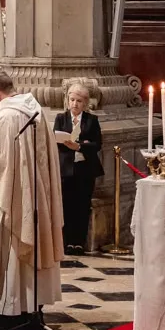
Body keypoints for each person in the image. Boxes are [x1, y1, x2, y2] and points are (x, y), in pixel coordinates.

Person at [0, 68, 64, 316]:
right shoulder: (36, 109)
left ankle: (13, 308)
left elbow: (0, 163)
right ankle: (33, 305)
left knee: (11, 243)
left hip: (17, 195)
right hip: (37, 193)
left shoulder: (6, 117)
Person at [54, 79, 103, 255]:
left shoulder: (91, 120)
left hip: (84, 170)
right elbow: (56, 140)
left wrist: (80, 146)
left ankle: (79, 242)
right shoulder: (61, 118)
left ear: (85, 103)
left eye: (79, 101)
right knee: (67, 205)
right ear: (67, 100)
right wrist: (67, 143)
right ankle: (68, 242)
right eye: (72, 100)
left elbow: (97, 144)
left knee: (82, 206)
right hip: (66, 169)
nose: (75, 104)